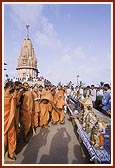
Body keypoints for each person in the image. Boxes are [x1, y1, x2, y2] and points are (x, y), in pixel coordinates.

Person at [4, 81, 17, 161]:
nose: (14, 89)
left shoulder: (11, 96)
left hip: (10, 119)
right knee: (4, 140)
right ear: (10, 87)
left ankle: (8, 155)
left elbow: (12, 109)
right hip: (4, 120)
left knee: (11, 137)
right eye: (13, 87)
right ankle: (4, 156)